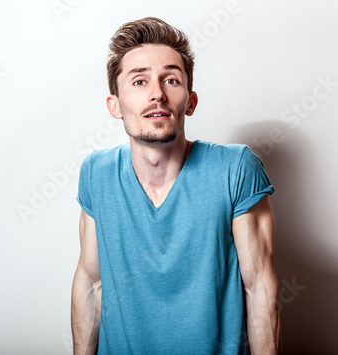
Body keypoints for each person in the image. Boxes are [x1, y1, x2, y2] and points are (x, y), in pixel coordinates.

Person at [71, 16, 280, 354]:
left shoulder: (235, 168)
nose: (157, 94)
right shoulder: (97, 173)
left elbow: (259, 288)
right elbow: (90, 282)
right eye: (139, 82)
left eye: (171, 80)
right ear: (115, 105)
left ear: (190, 101)